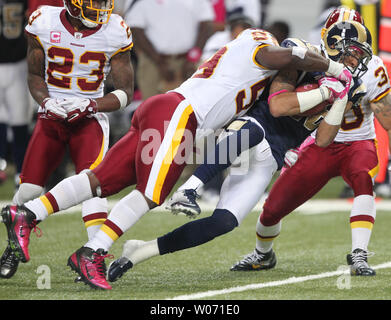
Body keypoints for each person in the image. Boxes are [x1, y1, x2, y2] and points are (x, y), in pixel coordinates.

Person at [1, 25, 353, 289]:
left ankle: (27, 212)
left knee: (99, 181)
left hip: (168, 107)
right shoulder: (261, 48)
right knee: (152, 193)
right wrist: (332, 69)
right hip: (181, 115)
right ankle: (92, 252)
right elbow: (288, 57)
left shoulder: (242, 55)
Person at [106, 21, 371, 284]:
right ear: (335, 46)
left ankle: (140, 250)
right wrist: (325, 90)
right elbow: (278, 106)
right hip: (249, 128)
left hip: (272, 155)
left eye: (362, 55)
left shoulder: (349, 85)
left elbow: (323, 140)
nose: (357, 60)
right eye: (354, 52)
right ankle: (190, 188)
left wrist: (339, 99)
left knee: (224, 222)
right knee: (253, 132)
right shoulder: (303, 54)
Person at [230, 9, 390, 276]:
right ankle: (263, 254)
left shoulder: (373, 67)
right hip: (319, 143)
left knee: (363, 177)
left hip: (358, 141)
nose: (354, 52)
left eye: (357, 43)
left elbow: (386, 118)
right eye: (347, 44)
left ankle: (359, 254)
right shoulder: (311, 60)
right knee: (272, 209)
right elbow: (284, 106)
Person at [0, 0, 134, 279]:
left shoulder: (115, 29)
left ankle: (92, 256)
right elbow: (35, 75)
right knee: (27, 191)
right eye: (94, 2)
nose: (101, 7)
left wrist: (92, 105)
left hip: (89, 119)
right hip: (51, 116)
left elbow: (125, 93)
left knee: (94, 187)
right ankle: (12, 247)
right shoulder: (43, 21)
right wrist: (46, 101)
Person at [124, 0, 215, 100]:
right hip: (152, 61)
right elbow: (136, 29)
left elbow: (206, 24)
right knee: (152, 107)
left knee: (192, 105)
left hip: (187, 60)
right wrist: (159, 62)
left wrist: (193, 58)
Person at [0, 0, 31, 187]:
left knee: (19, 120)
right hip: (17, 61)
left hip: (19, 62)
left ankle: (20, 171)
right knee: (16, 120)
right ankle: (18, 171)